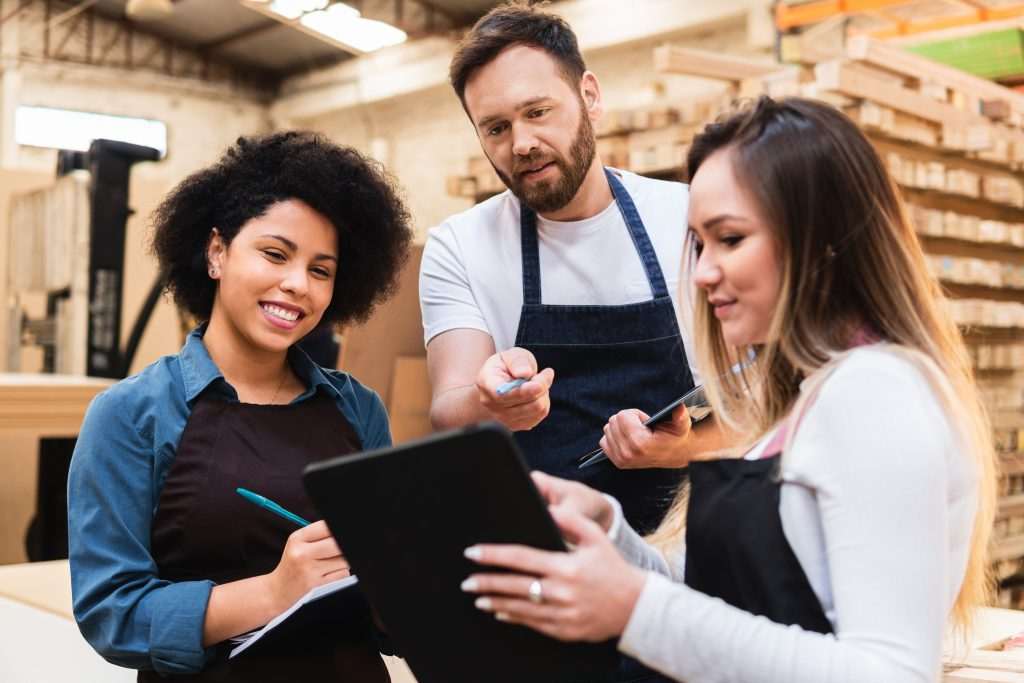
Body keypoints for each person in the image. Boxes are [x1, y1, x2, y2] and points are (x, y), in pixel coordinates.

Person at [460, 97, 997, 682]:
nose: (702, 271)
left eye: (731, 239)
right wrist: (612, 537)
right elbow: (720, 609)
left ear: (823, 240)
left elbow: (885, 673)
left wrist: (633, 607)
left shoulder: (875, 394)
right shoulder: (801, 398)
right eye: (699, 243)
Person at [67, 131, 412, 681]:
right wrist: (275, 591)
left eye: (321, 270)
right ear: (217, 252)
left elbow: (382, 606)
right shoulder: (131, 415)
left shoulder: (358, 408)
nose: (297, 284)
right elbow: (114, 612)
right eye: (275, 254)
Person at [420, 2, 722, 541]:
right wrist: (491, 402)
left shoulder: (688, 216)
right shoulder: (459, 246)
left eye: (537, 112)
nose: (522, 144)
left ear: (590, 97)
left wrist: (684, 447)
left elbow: (762, 401)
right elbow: (448, 408)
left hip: (692, 544)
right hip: (546, 552)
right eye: (495, 128)